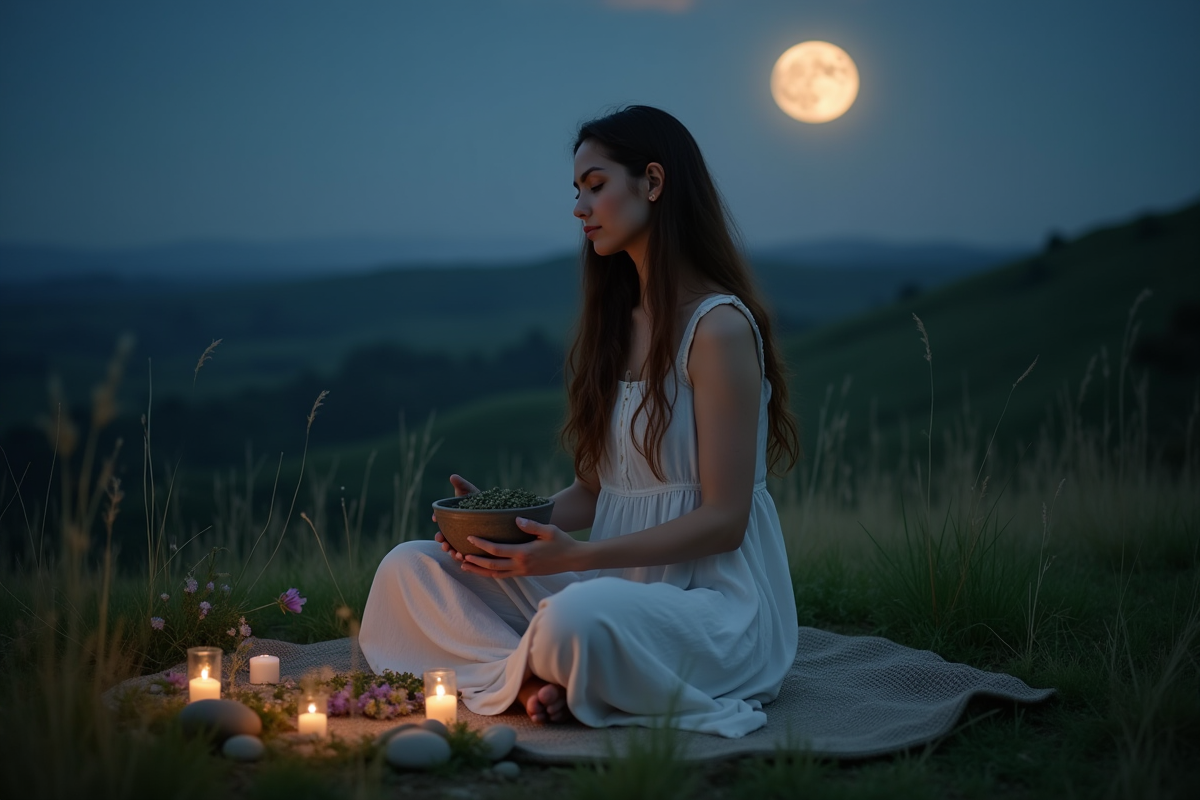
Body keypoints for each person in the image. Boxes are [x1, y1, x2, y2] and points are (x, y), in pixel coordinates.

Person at [359, 105, 801, 737]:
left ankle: (543, 666)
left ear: (653, 182)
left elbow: (725, 522)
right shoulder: (616, 326)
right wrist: (505, 528)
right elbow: (594, 493)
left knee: (576, 620)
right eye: (577, 191)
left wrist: (580, 557)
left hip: (712, 607)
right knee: (409, 567)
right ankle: (538, 680)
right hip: (609, 582)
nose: (579, 208)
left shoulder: (718, 329)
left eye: (595, 186)